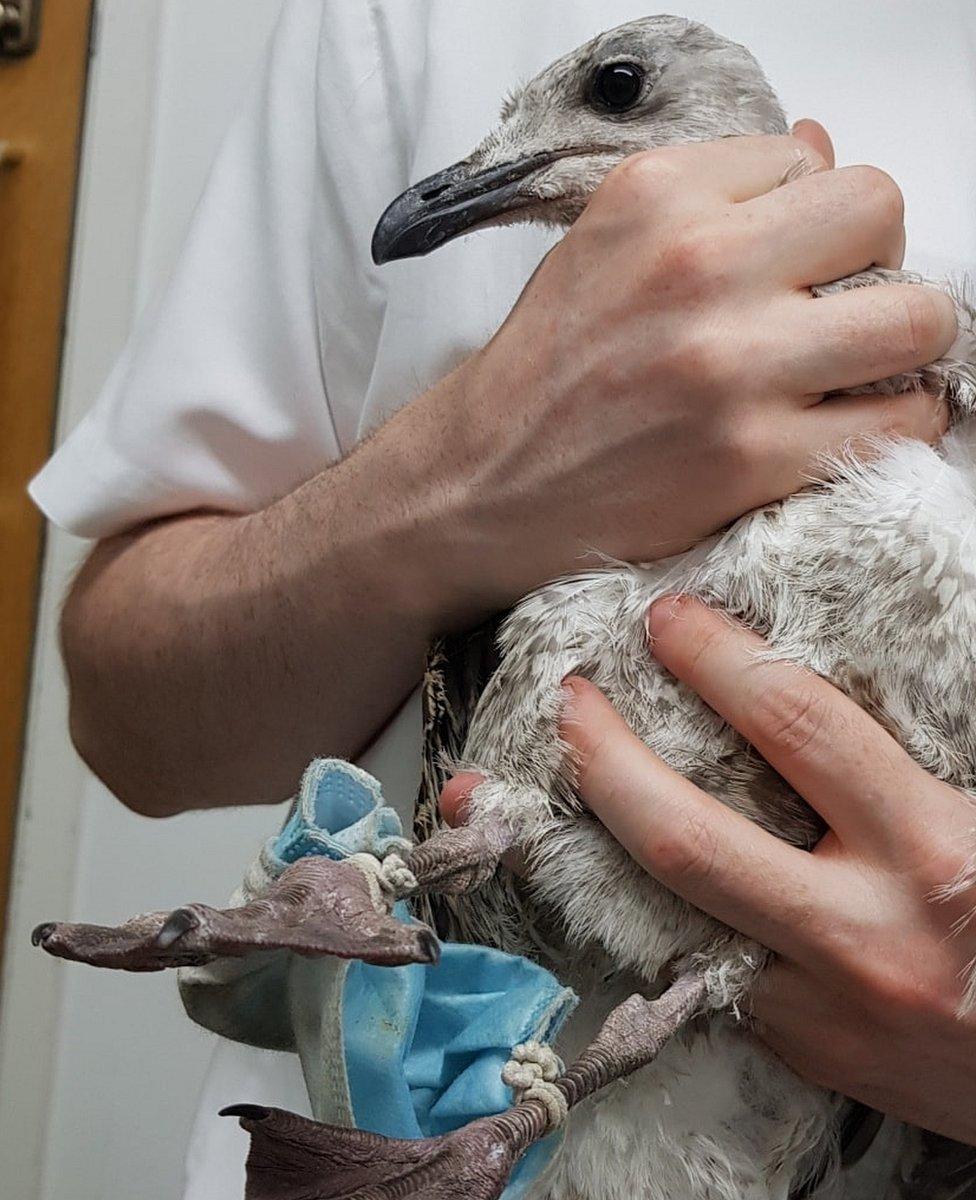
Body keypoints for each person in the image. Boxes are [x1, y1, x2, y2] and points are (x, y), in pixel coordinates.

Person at [29, 1, 976, 1196]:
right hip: (400, 1103)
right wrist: (468, 467)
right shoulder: (401, 21)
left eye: (612, 94)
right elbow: (126, 715)